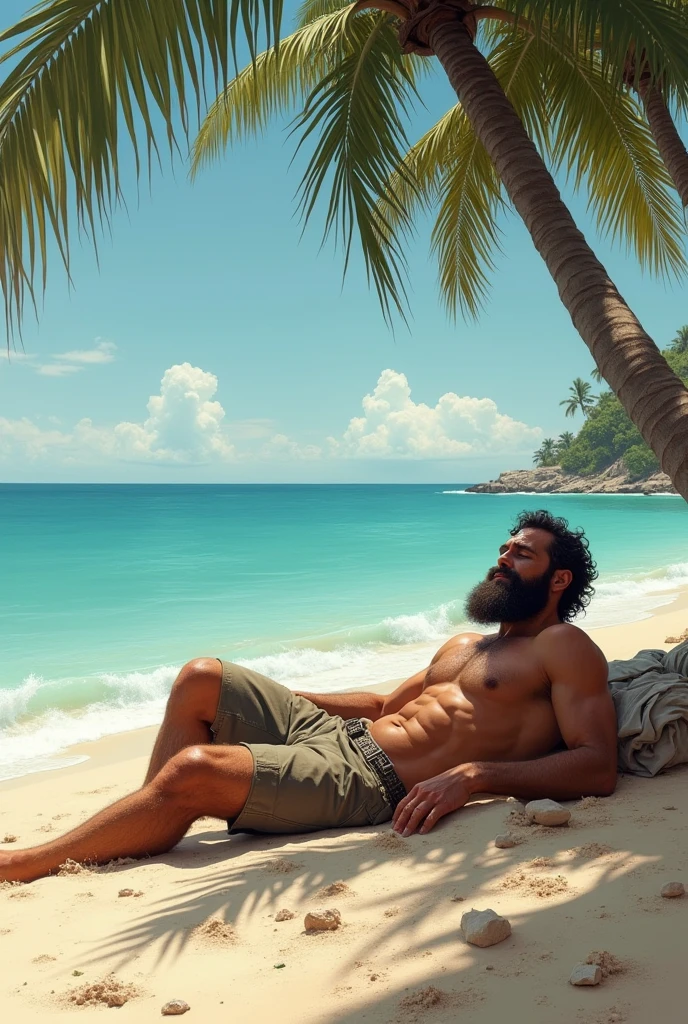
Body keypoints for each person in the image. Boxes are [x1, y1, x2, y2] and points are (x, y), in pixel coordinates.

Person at [0, 509, 617, 883]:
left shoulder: (562, 646)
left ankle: (32, 860)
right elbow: (382, 707)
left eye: (522, 554)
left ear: (558, 578)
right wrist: (282, 695)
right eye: (504, 548)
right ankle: (148, 815)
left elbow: (597, 764)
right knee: (201, 676)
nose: (503, 559)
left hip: (372, 782)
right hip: (338, 737)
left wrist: (474, 777)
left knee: (194, 769)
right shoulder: (465, 643)